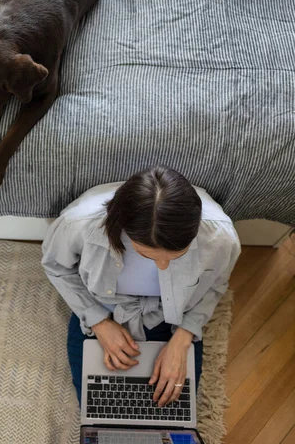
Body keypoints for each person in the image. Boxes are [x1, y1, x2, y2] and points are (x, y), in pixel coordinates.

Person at [41, 166, 240, 408]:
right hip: (105, 309)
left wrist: (184, 336)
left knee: (171, 414)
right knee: (103, 412)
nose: (163, 266)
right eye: (148, 255)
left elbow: (217, 283)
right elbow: (56, 266)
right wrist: (99, 322)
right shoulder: (78, 224)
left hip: (176, 316)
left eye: (178, 255)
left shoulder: (221, 237)